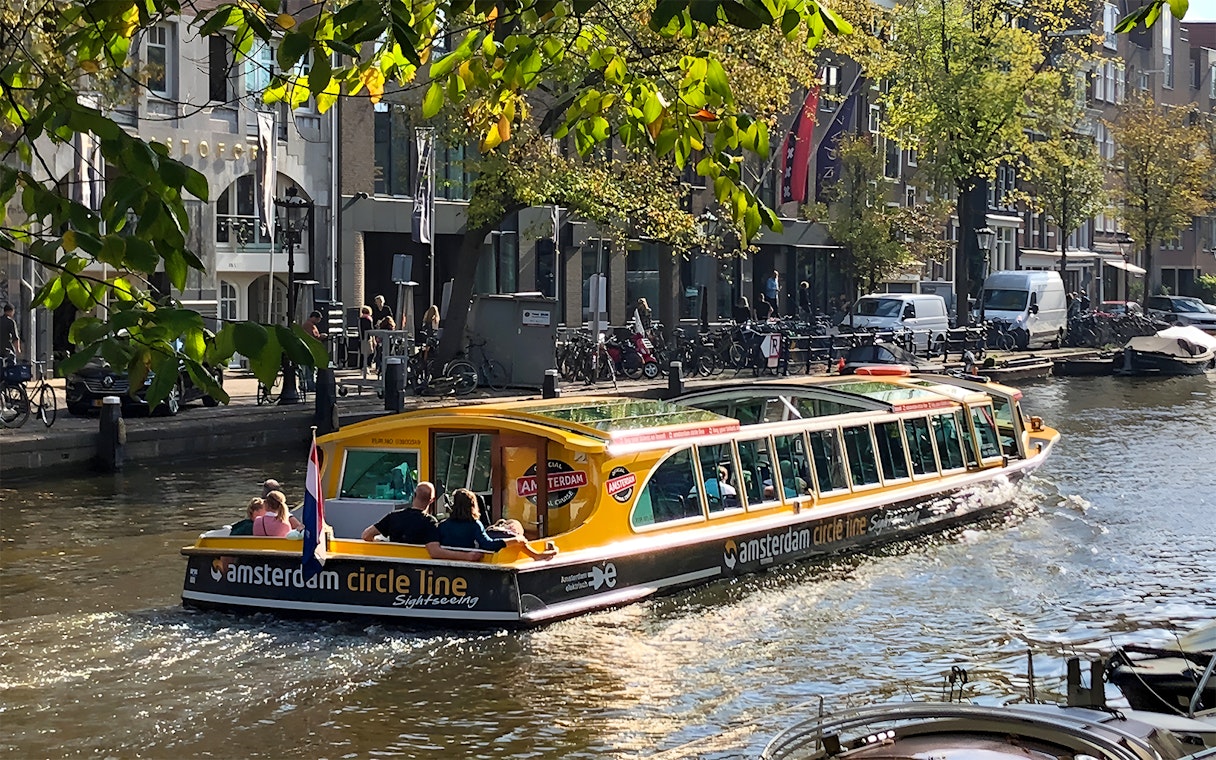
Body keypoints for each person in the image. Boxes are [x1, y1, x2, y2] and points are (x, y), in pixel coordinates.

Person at [435, 488, 557, 560]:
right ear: (472, 505)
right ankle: (536, 556)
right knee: (516, 539)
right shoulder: (474, 524)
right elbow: (487, 545)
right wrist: (514, 540)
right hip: (471, 564)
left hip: (448, 566)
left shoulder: (442, 525)